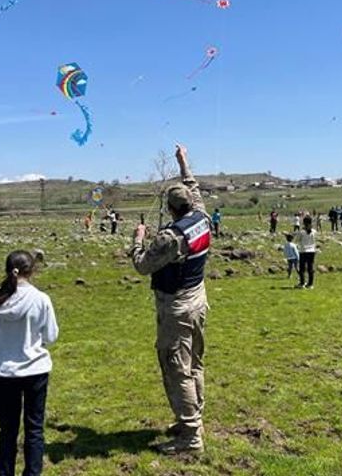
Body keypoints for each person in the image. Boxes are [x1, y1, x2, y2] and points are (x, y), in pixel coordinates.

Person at [130, 144, 210, 455]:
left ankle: (190, 436)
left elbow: (141, 265)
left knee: (177, 367)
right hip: (198, 299)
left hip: (176, 307)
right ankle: (193, 419)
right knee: (195, 364)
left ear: (171, 209)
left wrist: (137, 238)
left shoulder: (170, 238)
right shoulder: (201, 217)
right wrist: (183, 161)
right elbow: (193, 185)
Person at [0, 251, 59, 476]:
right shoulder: (41, 299)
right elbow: (51, 335)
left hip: (6, 373)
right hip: (36, 370)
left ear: (7, 270)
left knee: (7, 431)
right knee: (34, 429)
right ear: (31, 271)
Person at [295, 215, 317, 289]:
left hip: (303, 251)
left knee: (302, 268)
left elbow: (297, 240)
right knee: (310, 268)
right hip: (312, 251)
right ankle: (310, 284)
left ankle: (302, 283)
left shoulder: (302, 232)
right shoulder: (314, 231)